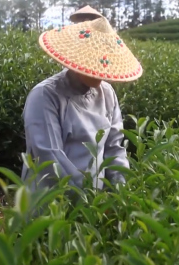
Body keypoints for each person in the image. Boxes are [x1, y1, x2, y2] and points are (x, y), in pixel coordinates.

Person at [20, 15, 143, 194]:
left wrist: (120, 193)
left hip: (93, 207)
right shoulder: (45, 95)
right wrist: (86, 200)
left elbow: (114, 148)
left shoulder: (107, 94)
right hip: (51, 201)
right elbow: (49, 156)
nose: (101, 73)